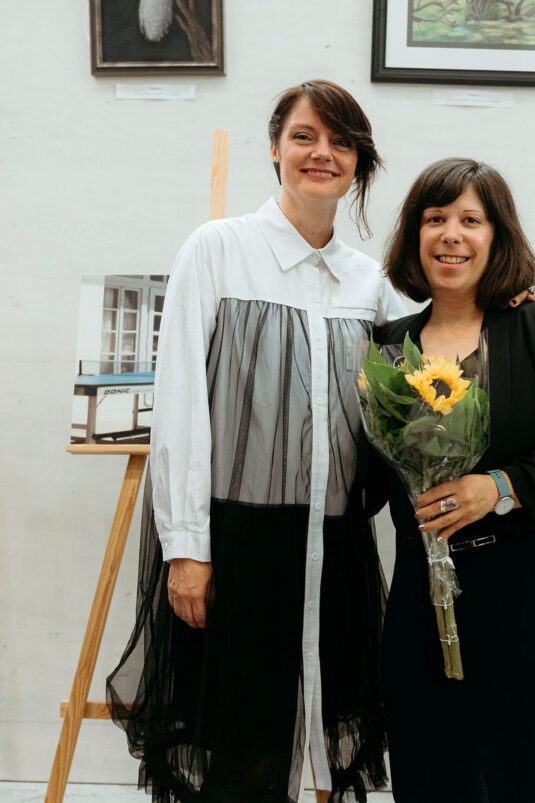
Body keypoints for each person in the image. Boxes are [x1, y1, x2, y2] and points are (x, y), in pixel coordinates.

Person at [106, 79, 408, 803]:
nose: (322, 153)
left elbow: (433, 361)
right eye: (304, 136)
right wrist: (187, 548)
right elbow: (180, 405)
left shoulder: (370, 283)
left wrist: (510, 297)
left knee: (323, 734)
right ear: (275, 148)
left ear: (359, 162)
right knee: (244, 749)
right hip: (239, 543)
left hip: (337, 548)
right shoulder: (218, 250)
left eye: (341, 142)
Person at [372, 158, 535, 802]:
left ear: (497, 234)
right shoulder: (388, 346)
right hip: (421, 599)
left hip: (531, 596)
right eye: (435, 219)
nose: (451, 234)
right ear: (414, 235)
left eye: (471, 220)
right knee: (432, 774)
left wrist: (500, 487)